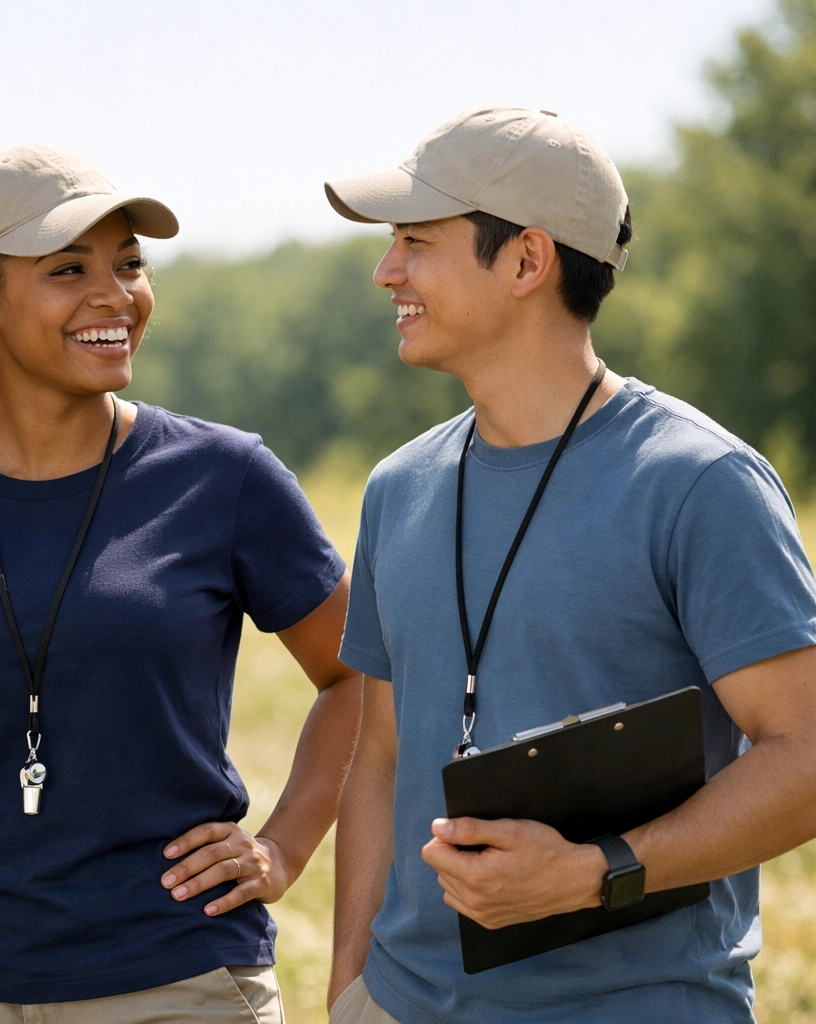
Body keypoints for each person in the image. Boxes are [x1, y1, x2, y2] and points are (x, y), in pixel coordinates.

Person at [0, 143, 363, 1022]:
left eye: (129, 264)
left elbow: (362, 671)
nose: (115, 295)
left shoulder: (226, 477)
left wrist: (282, 849)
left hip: (176, 976)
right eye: (69, 269)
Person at [321, 106, 816, 1024]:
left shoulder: (702, 483)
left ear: (525, 261)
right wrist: (350, 990)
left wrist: (597, 874)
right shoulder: (399, 486)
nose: (388, 271)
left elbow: (807, 757)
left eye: (416, 243)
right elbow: (381, 755)